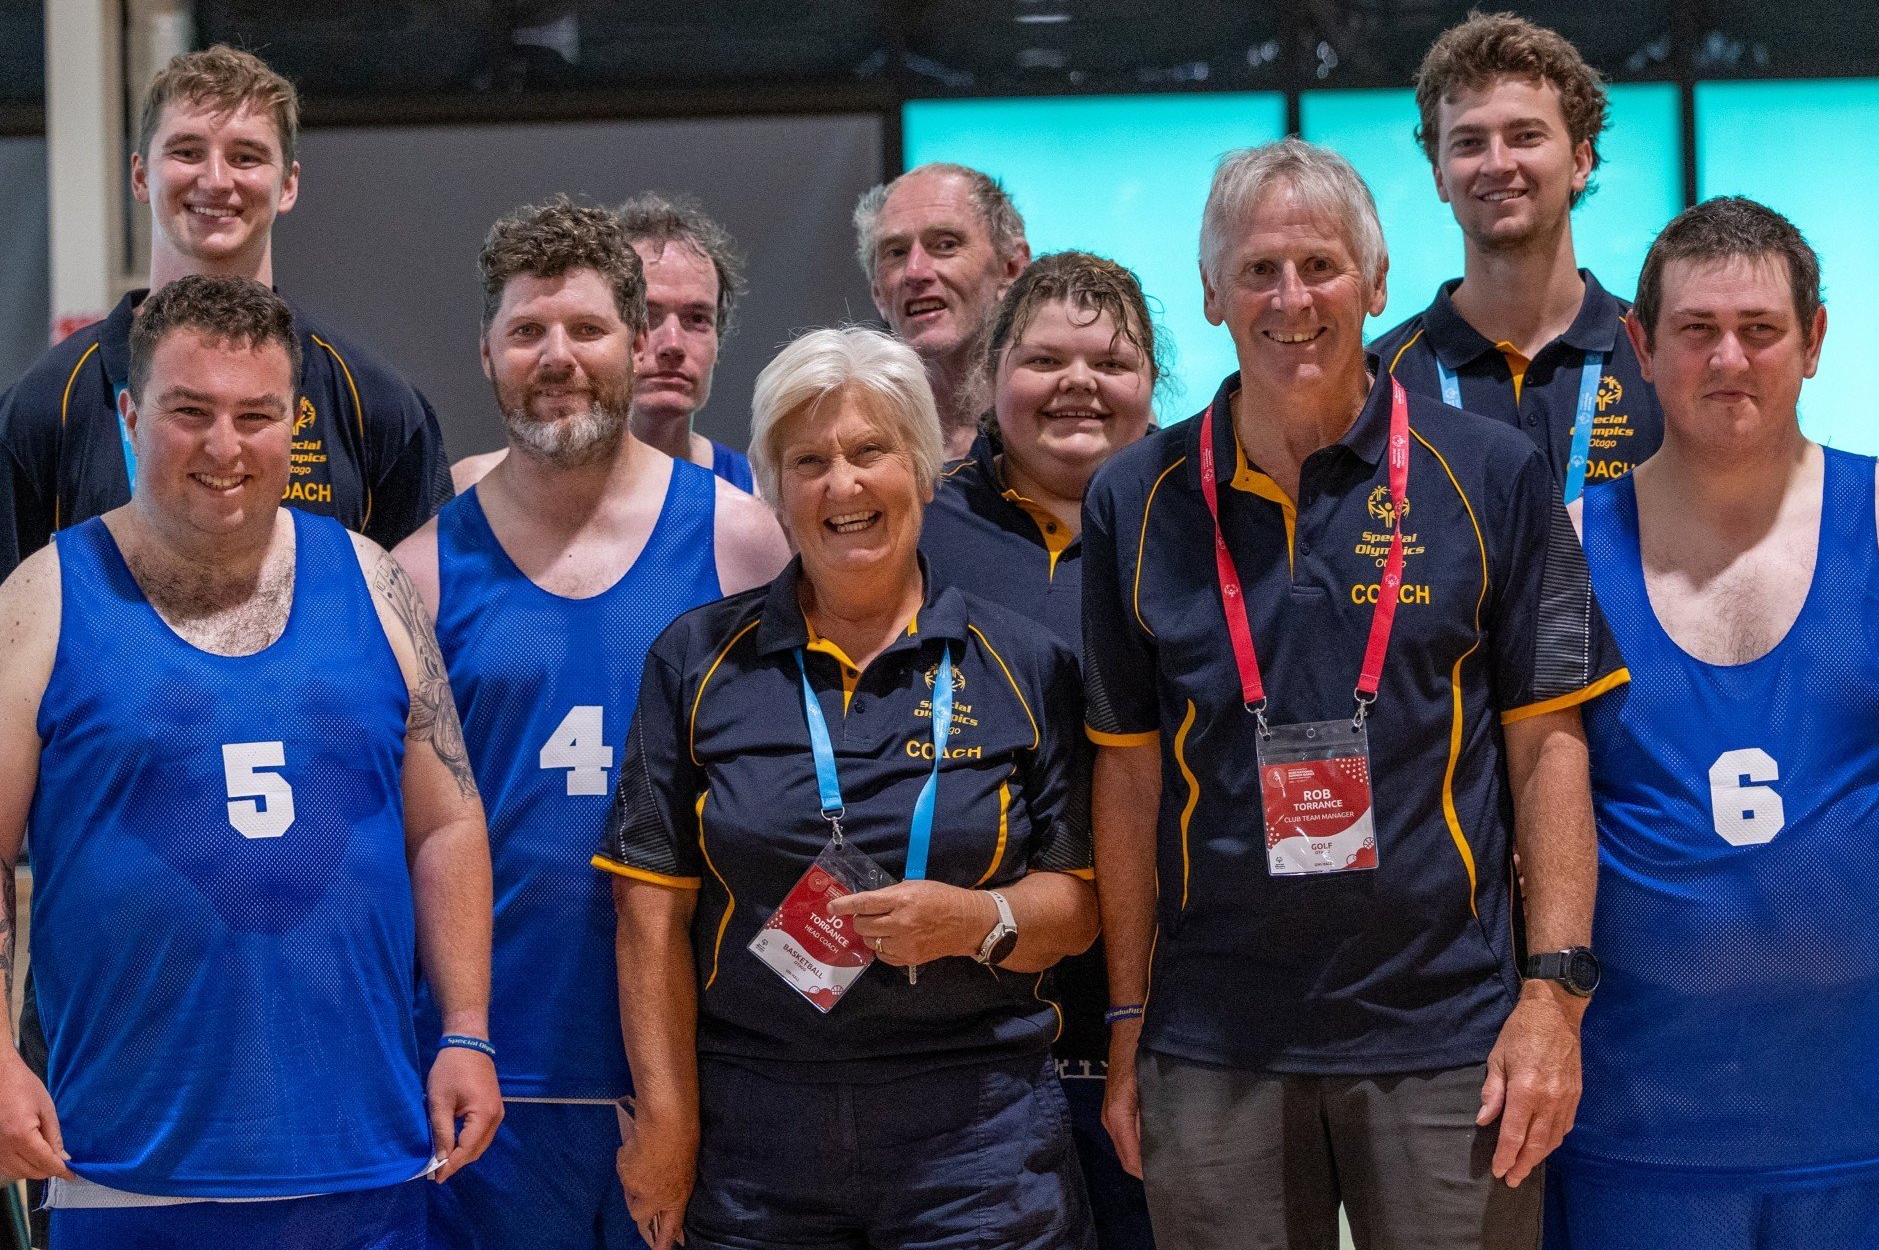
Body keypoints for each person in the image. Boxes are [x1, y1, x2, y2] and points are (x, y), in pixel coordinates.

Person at [1083, 138, 1625, 1250]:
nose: (1293, 299)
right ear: (1211, 292)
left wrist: (1554, 994)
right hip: (1215, 1039)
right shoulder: (1134, 498)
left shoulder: (1486, 472)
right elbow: (1128, 774)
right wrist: (1131, 1016)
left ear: (1377, 284)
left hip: (1445, 1035)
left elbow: (1548, 743)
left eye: (1323, 266)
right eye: (1259, 270)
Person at [0, 275, 499, 1248]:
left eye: (255, 415)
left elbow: (447, 820)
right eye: (190, 412)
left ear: (294, 422)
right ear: (131, 415)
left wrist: (467, 1026)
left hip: (368, 1163)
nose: (224, 448)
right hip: (123, 1170)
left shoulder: (374, 579)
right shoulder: (42, 599)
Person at [596, 325, 1098, 1250]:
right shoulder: (696, 661)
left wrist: (974, 919)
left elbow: (1078, 905)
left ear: (922, 468)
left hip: (975, 1135)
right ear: (775, 490)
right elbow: (648, 916)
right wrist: (669, 1126)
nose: (843, 485)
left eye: (871, 452)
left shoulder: (1024, 663)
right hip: (757, 1135)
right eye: (809, 460)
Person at [394, 199, 788, 1250]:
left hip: (699, 1072)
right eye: (528, 331)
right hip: (487, 1077)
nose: (557, 356)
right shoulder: (420, 572)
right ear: (486, 352)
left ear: (634, 340)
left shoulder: (744, 544)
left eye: (586, 328)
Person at [1548, 198, 1879, 1249]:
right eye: (1697, 330)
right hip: (1637, 1134)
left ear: (1814, 340)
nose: (1729, 359)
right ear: (1641, 344)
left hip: (1877, 1131)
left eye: (1760, 329)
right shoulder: (1567, 552)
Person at [918, 251, 1161, 1250]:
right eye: (1045, 358)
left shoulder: (1201, 520)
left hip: (1177, 1022)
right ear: (990, 375)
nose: (1078, 384)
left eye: (1112, 360)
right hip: (970, 1032)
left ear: (1153, 381)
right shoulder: (919, 531)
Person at [0, 44, 452, 578]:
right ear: (142, 177)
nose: (216, 180)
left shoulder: (375, 407)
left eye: (246, 156)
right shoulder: (43, 408)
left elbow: (422, 619)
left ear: (288, 185)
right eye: (187, 152)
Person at [1370, 12, 1660, 500]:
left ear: (1580, 161)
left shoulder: (1661, 356)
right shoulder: (1378, 383)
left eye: (1526, 136)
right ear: (1440, 176)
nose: (1498, 163)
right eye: (1468, 143)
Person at [452, 194, 758, 495]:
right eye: (647, 315)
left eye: (697, 319)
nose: (672, 344)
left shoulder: (759, 496)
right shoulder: (469, 492)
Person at [855, 164, 1032, 458]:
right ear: (878, 294)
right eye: (896, 252)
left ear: (1012, 267)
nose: (915, 272)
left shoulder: (1064, 430)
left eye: (945, 245)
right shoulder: (854, 448)